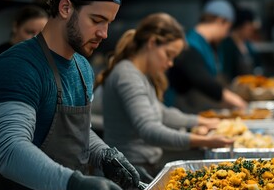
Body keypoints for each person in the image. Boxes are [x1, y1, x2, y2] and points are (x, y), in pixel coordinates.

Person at [0, 0, 141, 190]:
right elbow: (9, 149)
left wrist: (106, 155)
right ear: (65, 8)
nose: (104, 34)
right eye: (96, 20)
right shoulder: (19, 66)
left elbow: (81, 132)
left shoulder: (82, 67)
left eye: (108, 23)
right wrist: (75, 183)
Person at [95, 13, 233, 175]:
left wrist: (202, 121)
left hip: (141, 165)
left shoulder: (140, 75)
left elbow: (162, 113)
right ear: (152, 43)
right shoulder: (127, 75)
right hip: (128, 172)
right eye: (168, 54)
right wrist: (203, 141)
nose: (170, 63)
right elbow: (150, 130)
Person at [166, 0, 247, 114]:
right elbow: (202, 80)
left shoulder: (208, 46)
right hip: (184, 111)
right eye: (227, 29)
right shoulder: (189, 45)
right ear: (221, 21)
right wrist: (236, 101)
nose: (226, 35)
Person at [219, 8, 261, 82]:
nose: (251, 32)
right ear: (240, 27)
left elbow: (256, 64)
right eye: (249, 29)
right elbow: (226, 72)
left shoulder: (247, 45)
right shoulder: (227, 45)